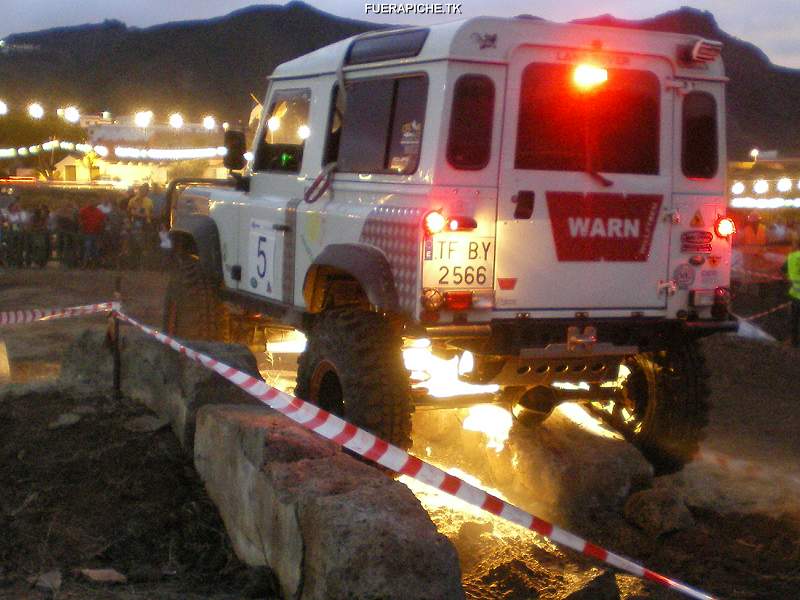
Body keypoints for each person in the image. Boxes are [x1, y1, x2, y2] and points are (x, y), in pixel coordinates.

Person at [78, 201, 106, 268]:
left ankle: (94, 264)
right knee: (88, 248)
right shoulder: (83, 210)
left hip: (96, 233)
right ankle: (85, 264)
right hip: (87, 233)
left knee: (95, 249)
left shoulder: (98, 212)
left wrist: (101, 228)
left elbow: (103, 221)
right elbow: (79, 219)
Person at [783, 237, 800, 347]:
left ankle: (793, 342)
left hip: (796, 295)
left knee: (794, 320)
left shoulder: (792, 257)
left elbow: (783, 271)